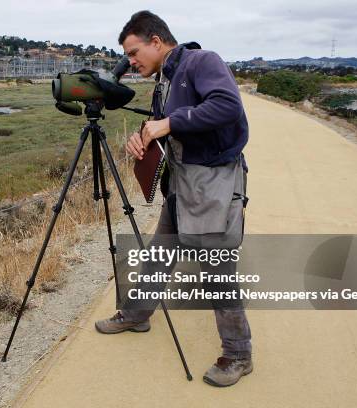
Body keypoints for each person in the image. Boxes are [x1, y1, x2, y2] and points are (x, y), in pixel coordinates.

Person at [94, 10, 253, 387]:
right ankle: (137, 314)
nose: (130, 63)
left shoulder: (202, 61)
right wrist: (144, 136)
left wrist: (168, 123)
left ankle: (239, 354)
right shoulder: (164, 79)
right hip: (181, 186)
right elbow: (167, 127)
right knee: (159, 255)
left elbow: (228, 106)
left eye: (134, 53)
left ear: (155, 41)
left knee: (217, 275)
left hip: (212, 185)